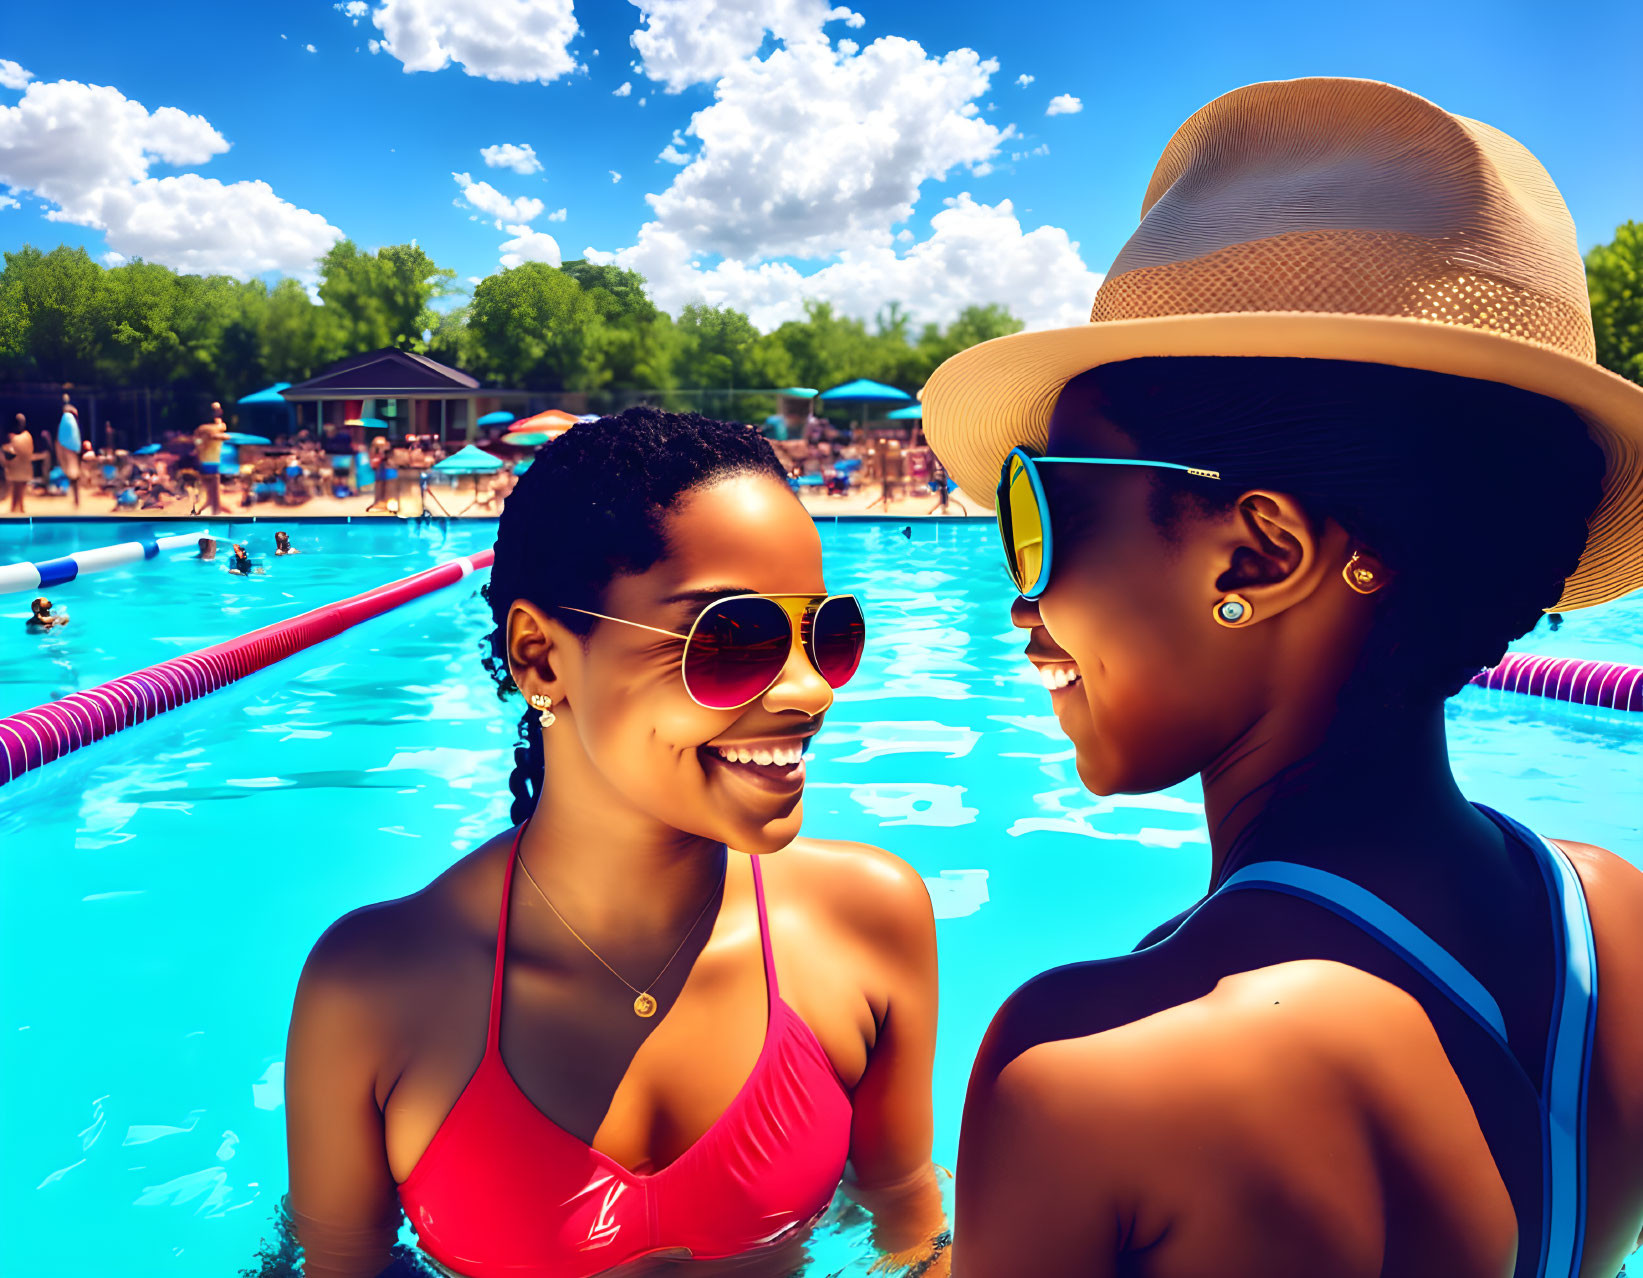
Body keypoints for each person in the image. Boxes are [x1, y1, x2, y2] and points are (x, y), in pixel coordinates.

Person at [925, 79, 1643, 1278]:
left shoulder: (1092, 1064)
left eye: (1038, 512)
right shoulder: (1610, 924)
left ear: (1258, 553)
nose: (1022, 603)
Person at [285, 409, 947, 1278]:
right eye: (731, 638)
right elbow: (339, 1262)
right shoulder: (373, 987)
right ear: (541, 658)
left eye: (824, 634)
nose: (807, 690)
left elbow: (906, 1219)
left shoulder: (868, 920)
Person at [194, 401, 230, 515]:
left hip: (209, 461)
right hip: (209, 462)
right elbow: (221, 433)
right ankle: (216, 512)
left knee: (211, 493)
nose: (220, 412)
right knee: (213, 492)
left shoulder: (204, 428)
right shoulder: (208, 428)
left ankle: (201, 510)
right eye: (217, 409)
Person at [3, 414, 33, 513]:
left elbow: (26, 450)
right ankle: (17, 507)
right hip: (18, 466)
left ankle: (18, 507)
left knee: (19, 487)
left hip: (22, 466)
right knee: (17, 487)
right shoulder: (23, 436)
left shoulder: (22, 437)